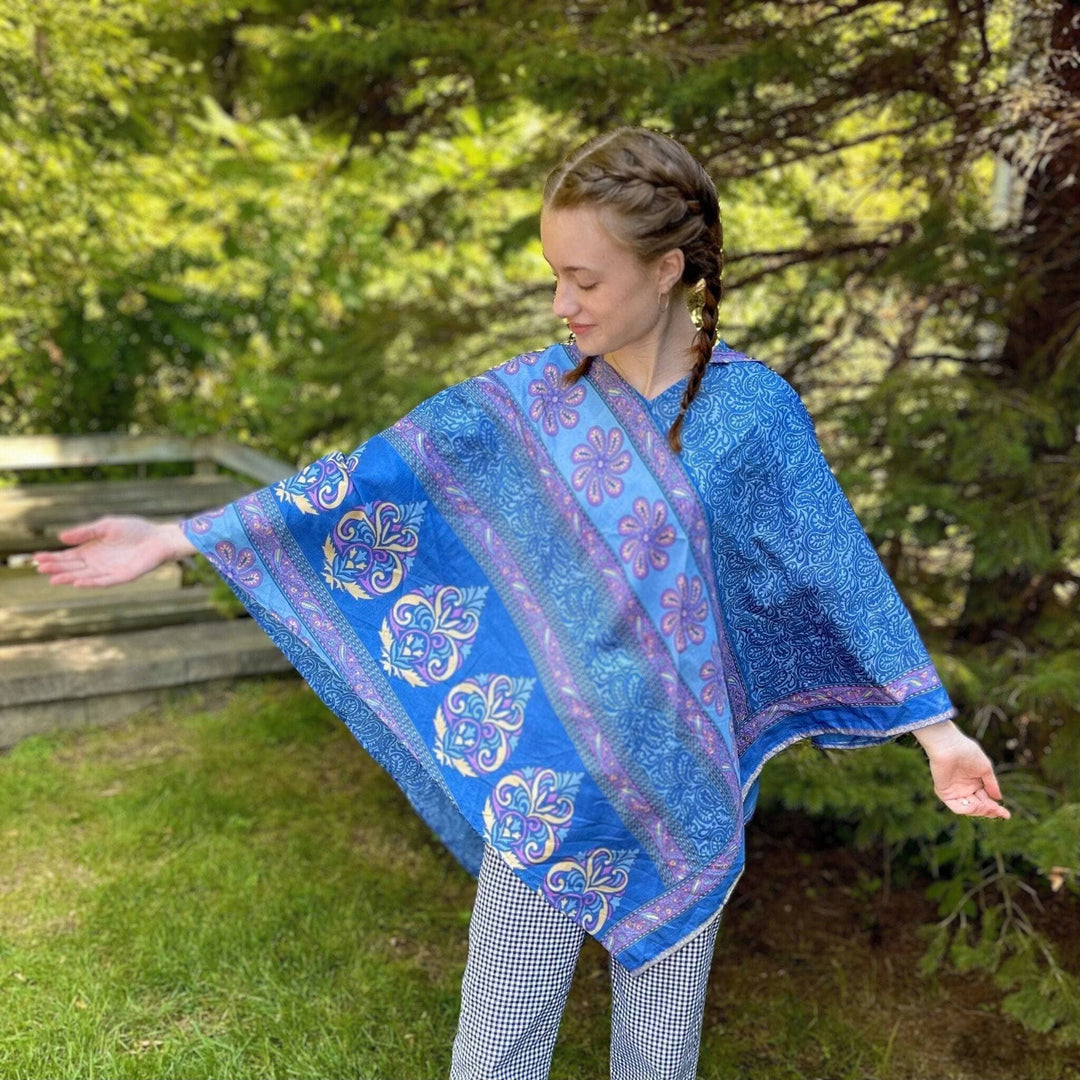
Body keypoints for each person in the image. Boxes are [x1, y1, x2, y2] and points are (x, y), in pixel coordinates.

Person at [31, 127, 1010, 1080]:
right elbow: (361, 486)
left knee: (659, 1061)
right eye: (554, 275)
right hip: (541, 783)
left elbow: (832, 568)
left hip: (687, 787)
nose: (561, 303)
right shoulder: (520, 404)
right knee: (496, 1048)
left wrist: (936, 734)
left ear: (667, 270)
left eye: (585, 281)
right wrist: (178, 536)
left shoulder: (753, 418)